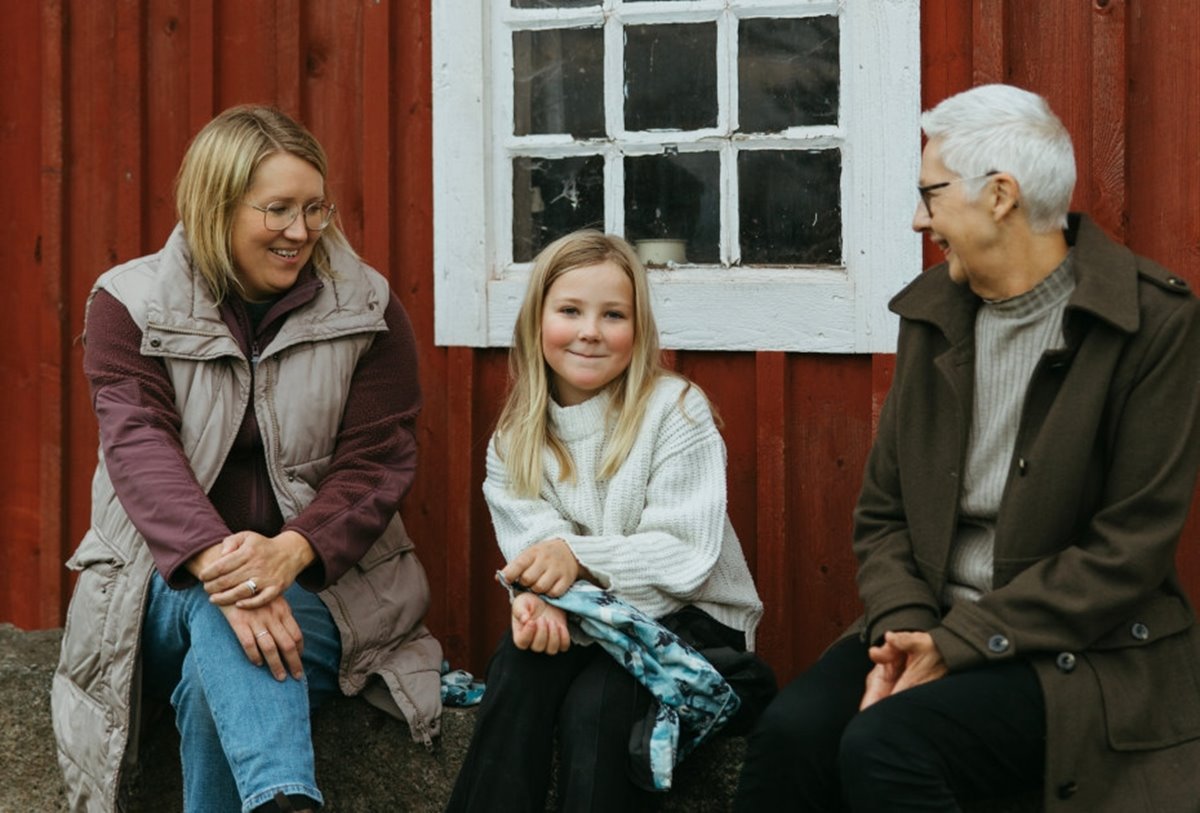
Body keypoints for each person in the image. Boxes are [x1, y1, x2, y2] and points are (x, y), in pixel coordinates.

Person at [734, 83, 1200, 812]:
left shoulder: (1151, 324)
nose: (920, 219)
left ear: (1001, 195)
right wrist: (909, 628)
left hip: (1074, 653)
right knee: (792, 733)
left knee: (887, 743)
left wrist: (960, 641)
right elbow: (883, 513)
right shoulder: (934, 313)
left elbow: (1128, 551)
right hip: (928, 623)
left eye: (931, 193)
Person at [51, 105, 443, 813]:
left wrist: (290, 552)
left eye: (315, 207)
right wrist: (221, 561)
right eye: (279, 210)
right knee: (218, 602)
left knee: (218, 672)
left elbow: (376, 459)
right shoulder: (130, 303)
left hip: (326, 588)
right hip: (163, 586)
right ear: (216, 205)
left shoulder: (368, 307)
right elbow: (140, 446)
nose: (302, 231)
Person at [446, 231, 770, 812]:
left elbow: (684, 555)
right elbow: (532, 547)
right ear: (536, 321)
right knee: (519, 667)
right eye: (570, 311)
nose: (590, 331)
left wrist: (577, 564)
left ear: (638, 330)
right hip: (589, 620)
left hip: (692, 624)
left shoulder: (674, 412)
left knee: (598, 704)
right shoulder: (516, 440)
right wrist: (534, 598)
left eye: (613, 315)